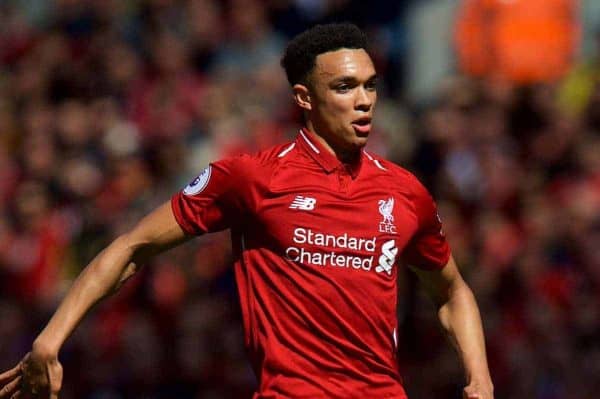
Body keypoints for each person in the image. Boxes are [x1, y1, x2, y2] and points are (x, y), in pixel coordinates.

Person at [0, 23, 493, 399]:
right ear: (305, 98)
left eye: (369, 85)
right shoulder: (253, 178)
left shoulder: (405, 192)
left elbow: (450, 291)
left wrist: (480, 379)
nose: (363, 101)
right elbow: (134, 247)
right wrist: (50, 340)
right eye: (344, 87)